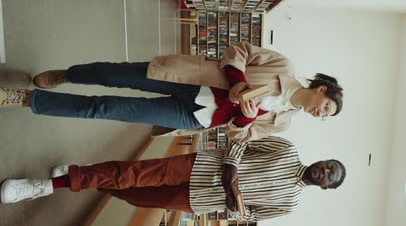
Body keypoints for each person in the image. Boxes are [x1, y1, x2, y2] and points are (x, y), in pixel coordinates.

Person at [0, 42, 343, 143]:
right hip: (190, 80)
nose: (319, 114)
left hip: (193, 116)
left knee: (105, 109)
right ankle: (69, 75)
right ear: (321, 89)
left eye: (324, 117)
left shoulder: (283, 123)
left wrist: (245, 117)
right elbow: (238, 50)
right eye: (325, 108)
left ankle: (29, 99)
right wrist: (237, 79)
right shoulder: (283, 65)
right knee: (114, 74)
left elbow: (240, 137)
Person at [0, 136, 346, 222]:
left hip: (199, 201)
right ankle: (43, 187)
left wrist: (234, 204)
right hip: (200, 167)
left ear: (327, 187)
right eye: (329, 163)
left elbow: (248, 215)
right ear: (323, 157)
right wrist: (231, 171)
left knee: (133, 195)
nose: (325, 170)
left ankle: (75, 176)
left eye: (330, 175)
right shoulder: (287, 149)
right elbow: (242, 143)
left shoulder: (289, 204)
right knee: (129, 175)